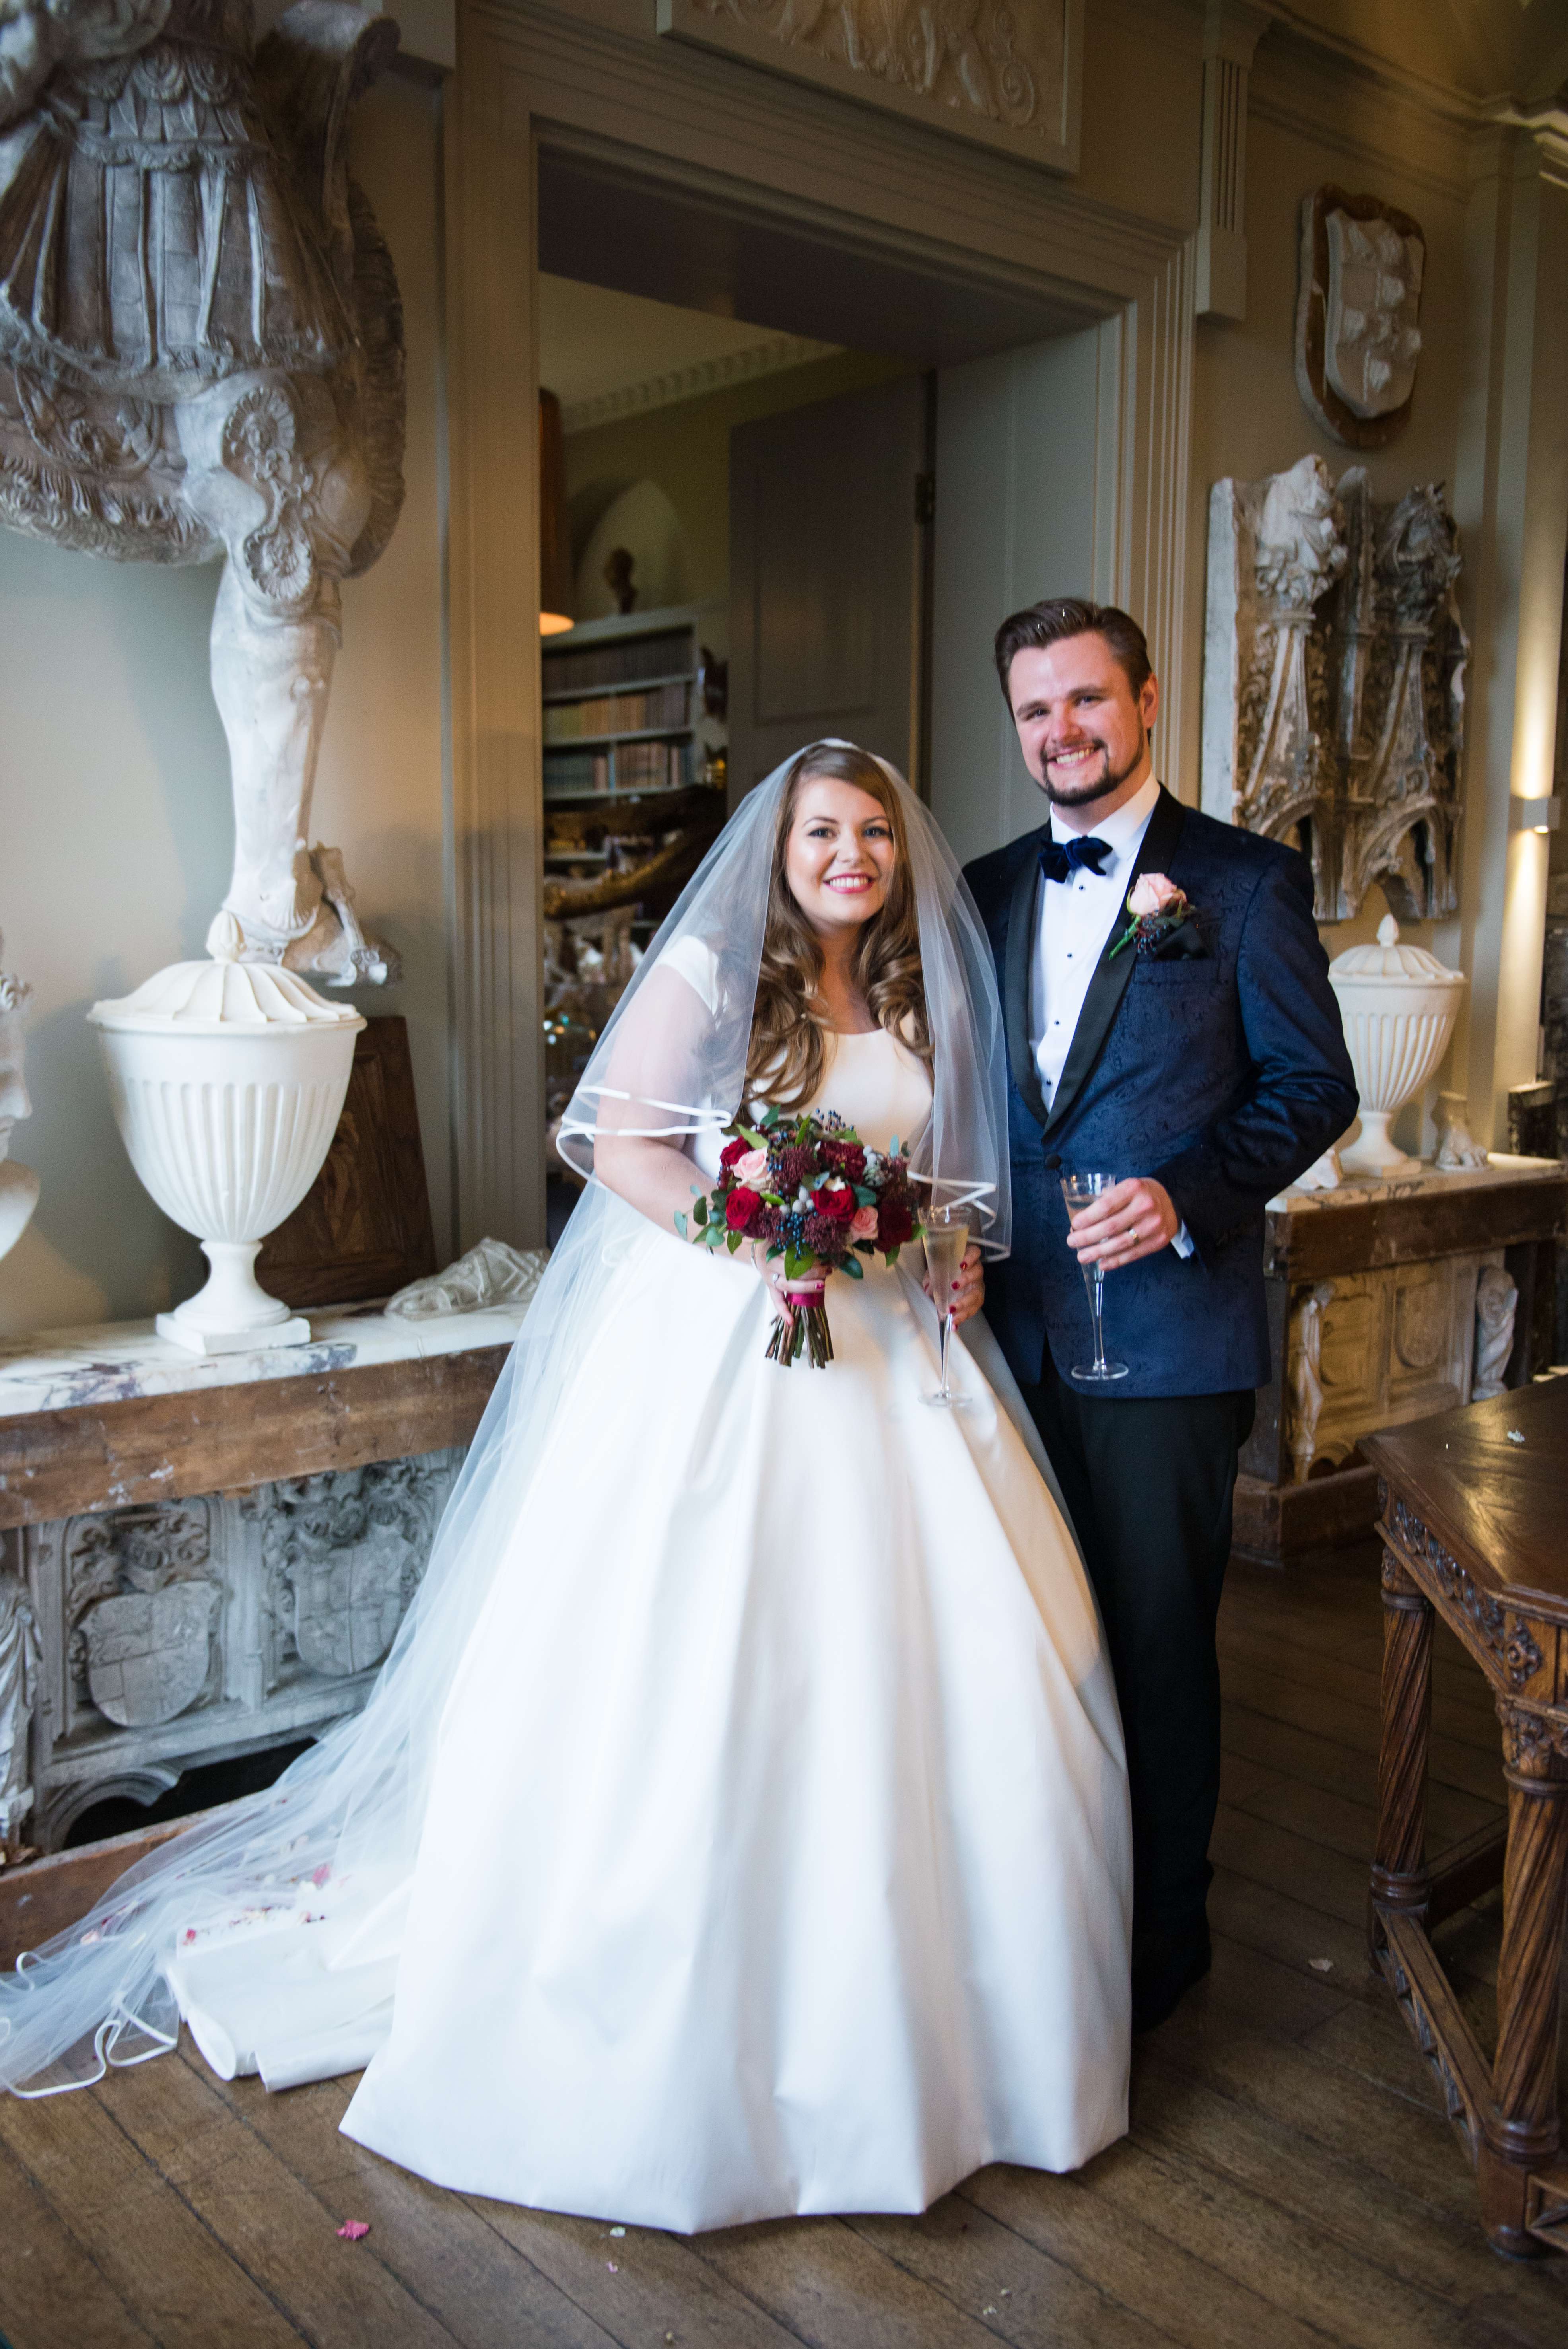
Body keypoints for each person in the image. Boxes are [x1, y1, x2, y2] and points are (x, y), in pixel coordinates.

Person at [0, 742, 1132, 2235]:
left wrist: (943, 1255)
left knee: (950, 1666)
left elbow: (920, 1189)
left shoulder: (912, 991)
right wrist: (755, 1235)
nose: (852, 855)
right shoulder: (718, 975)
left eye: (872, 832)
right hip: (732, 1344)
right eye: (822, 832)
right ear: (780, 848)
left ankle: (962, 2032)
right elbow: (607, 1140)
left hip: (896, 1363)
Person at [963, 602, 1356, 2035]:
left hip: (1171, 1343)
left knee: (1157, 1643)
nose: (1061, 730)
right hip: (1007, 1337)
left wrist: (1185, 1193)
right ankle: (1048, 1925)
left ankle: (1158, 1949)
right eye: (1035, 709)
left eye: (1086, 699)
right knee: (1030, 1643)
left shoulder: (1244, 883)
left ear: (1143, 701)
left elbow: (1316, 1087)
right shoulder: (984, 888)